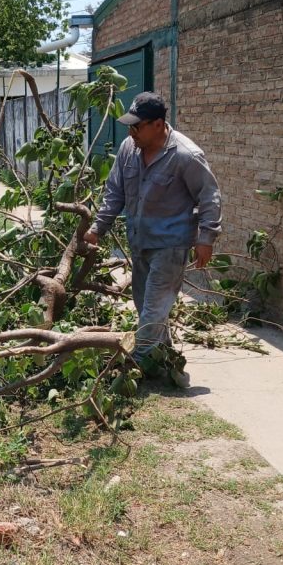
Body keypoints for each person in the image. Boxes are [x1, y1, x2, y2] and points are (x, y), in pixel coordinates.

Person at [84, 92, 222, 371]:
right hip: (139, 241)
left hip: (171, 245)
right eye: (129, 126)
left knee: (152, 310)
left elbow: (209, 196)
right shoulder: (127, 149)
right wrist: (98, 227)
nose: (131, 131)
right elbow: (115, 192)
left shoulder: (186, 155)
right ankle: (164, 360)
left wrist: (206, 239)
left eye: (137, 126)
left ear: (158, 124)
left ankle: (131, 369)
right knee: (144, 305)